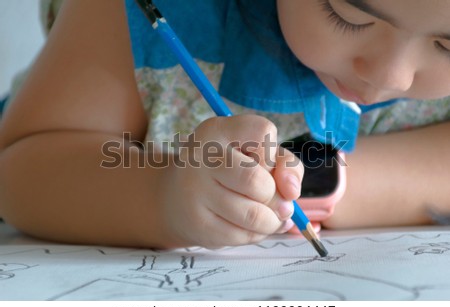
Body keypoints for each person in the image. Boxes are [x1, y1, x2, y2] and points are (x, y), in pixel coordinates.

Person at [0, 0, 449, 249]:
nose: (390, 76)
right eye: (348, 14)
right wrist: (160, 196)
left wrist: (322, 178)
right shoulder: (145, 10)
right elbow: (19, 169)